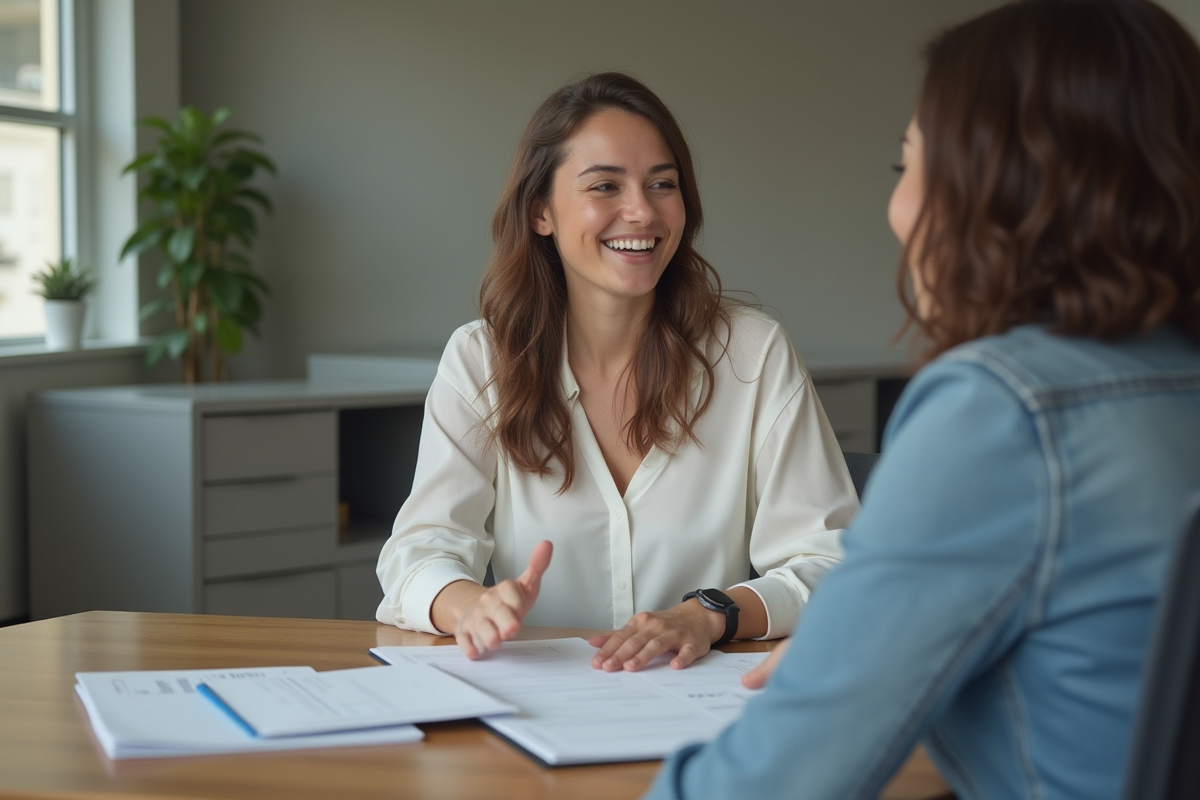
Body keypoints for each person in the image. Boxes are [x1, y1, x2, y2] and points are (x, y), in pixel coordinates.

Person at [644, 0, 1200, 797]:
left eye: (908, 166)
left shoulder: (1000, 412)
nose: (898, 211)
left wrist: (841, 676)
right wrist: (863, 651)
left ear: (997, 187)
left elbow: (780, 781)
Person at [375, 72, 858, 671]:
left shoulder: (753, 354)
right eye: (605, 185)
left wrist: (709, 614)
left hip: (700, 701)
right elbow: (419, 552)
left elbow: (832, 563)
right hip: (541, 700)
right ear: (541, 211)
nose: (642, 211)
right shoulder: (482, 360)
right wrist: (471, 605)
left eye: (663, 184)